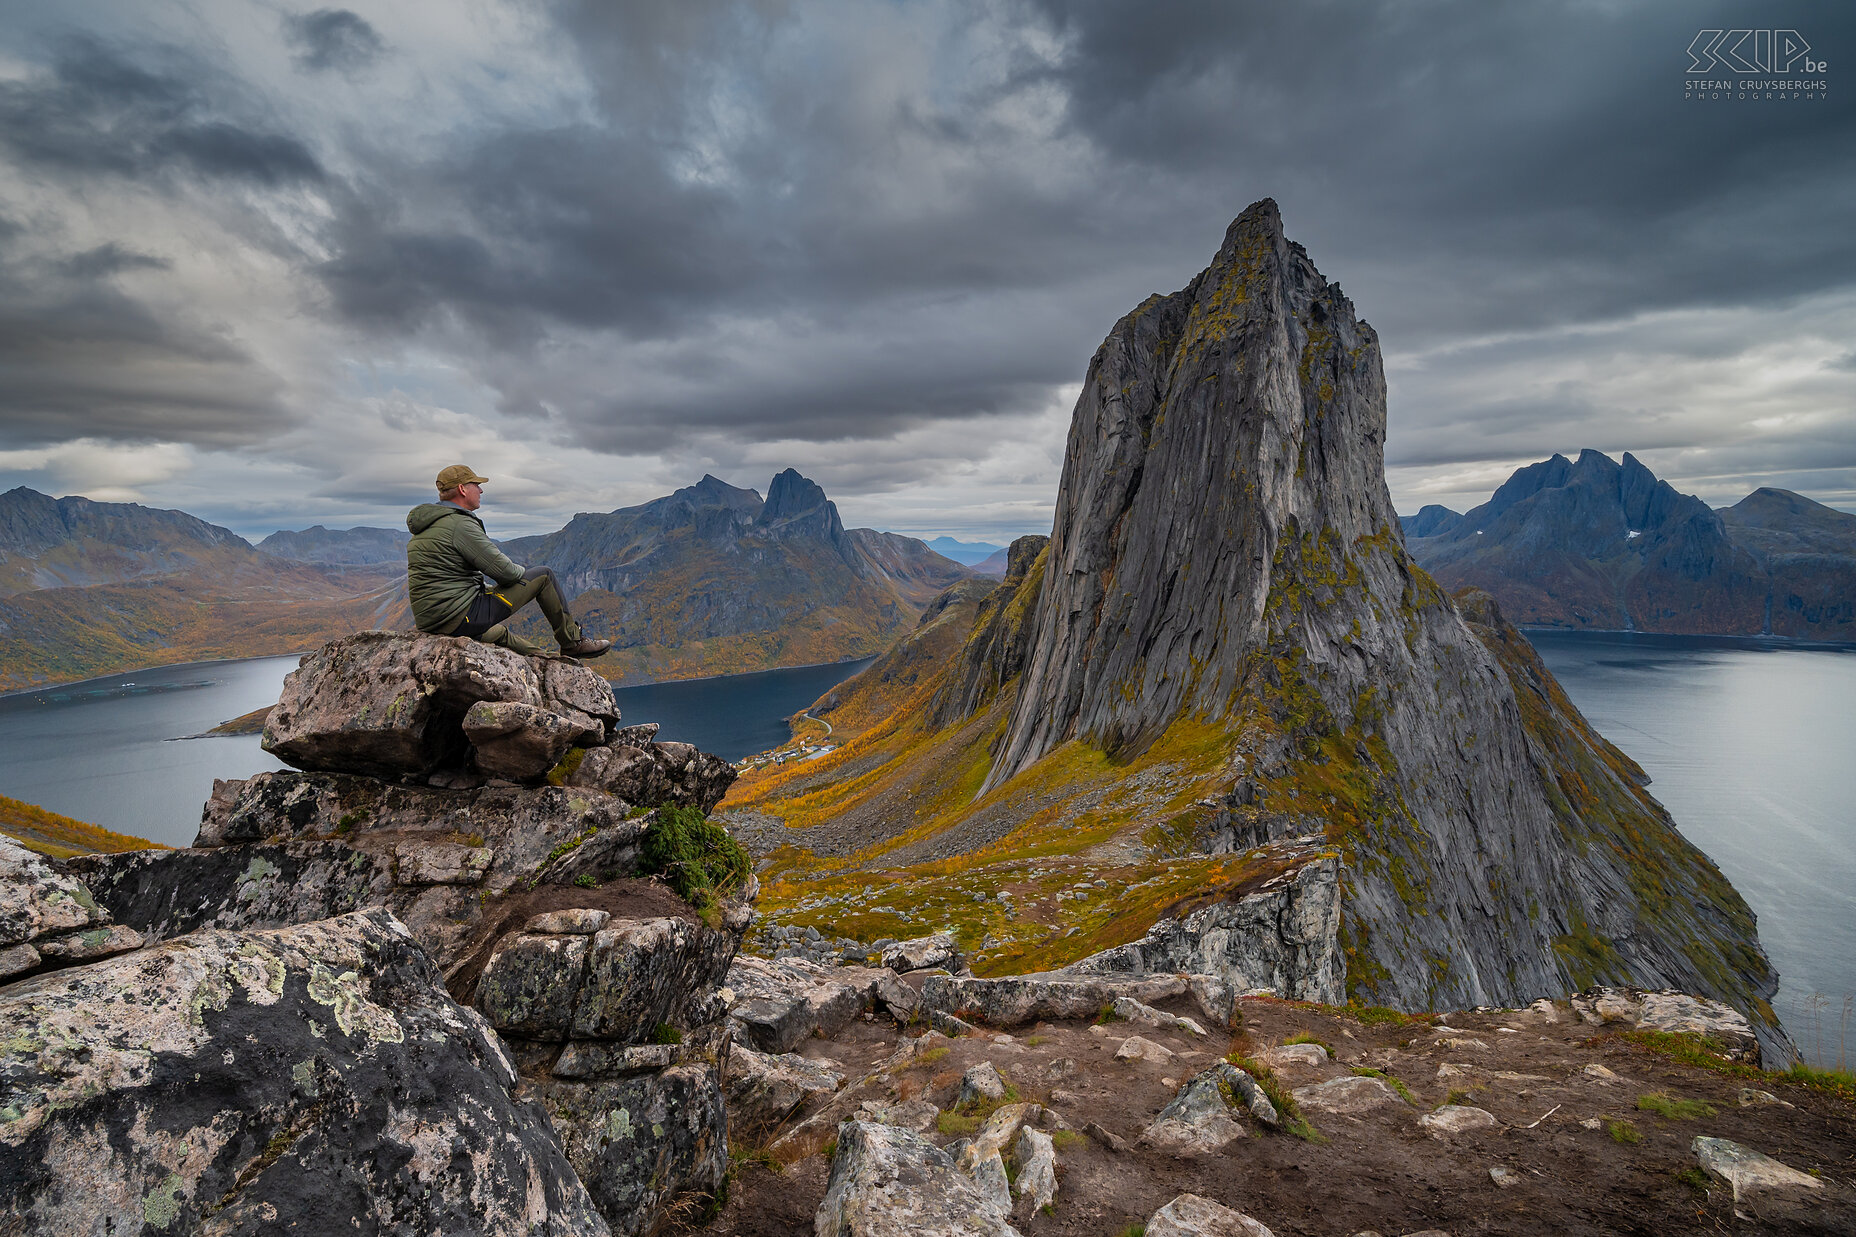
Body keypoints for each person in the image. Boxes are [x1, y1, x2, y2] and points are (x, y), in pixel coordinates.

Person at [406, 464, 611, 659]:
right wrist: (519, 577)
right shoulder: (459, 525)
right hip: (459, 617)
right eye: (476, 485)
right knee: (543, 576)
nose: (481, 490)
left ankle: (548, 662)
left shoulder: (428, 526)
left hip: (436, 622)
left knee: (499, 634)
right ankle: (573, 644)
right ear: (462, 489)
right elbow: (507, 573)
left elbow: (449, 579)